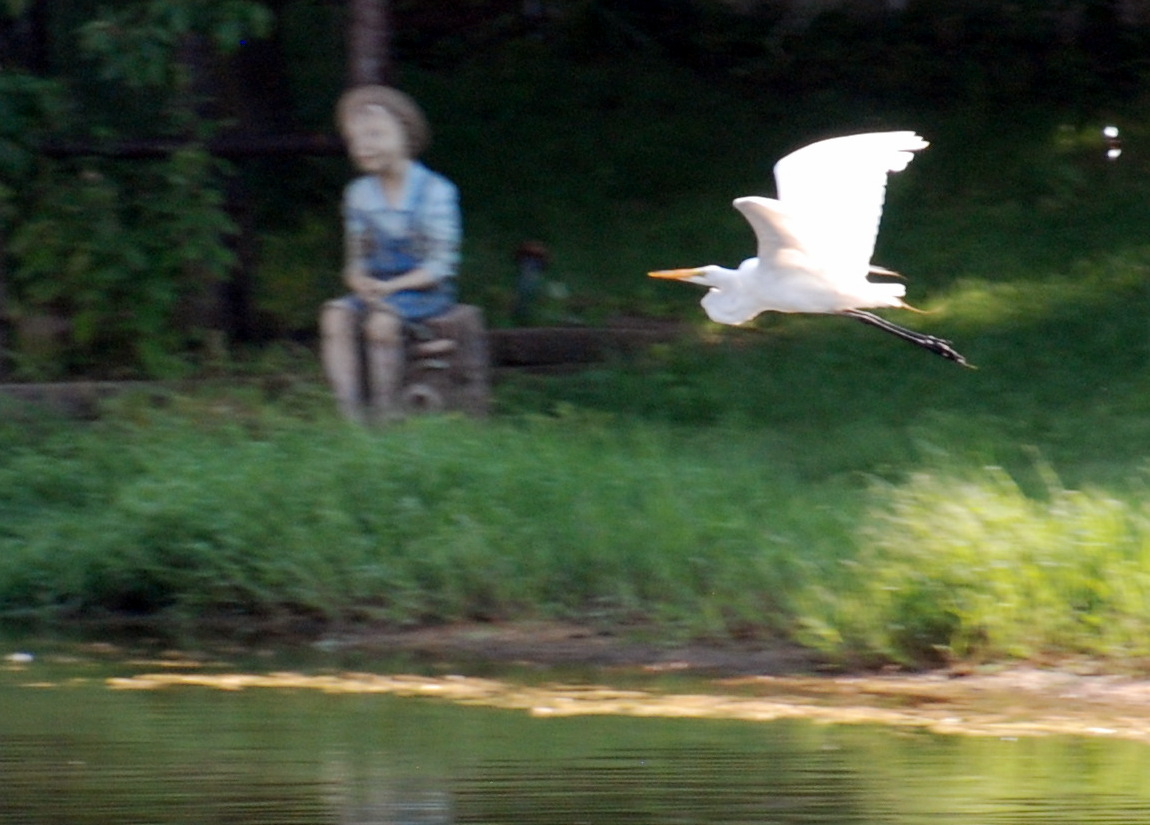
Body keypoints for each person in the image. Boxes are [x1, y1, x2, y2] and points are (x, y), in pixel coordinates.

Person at [320, 85, 462, 423]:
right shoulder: (358, 195)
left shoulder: (435, 192)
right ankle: (351, 416)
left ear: (405, 132)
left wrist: (392, 289)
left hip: (422, 290)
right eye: (356, 139)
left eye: (375, 135)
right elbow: (354, 261)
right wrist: (359, 281)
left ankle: (386, 413)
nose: (364, 146)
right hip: (378, 287)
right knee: (334, 316)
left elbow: (441, 266)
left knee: (382, 324)